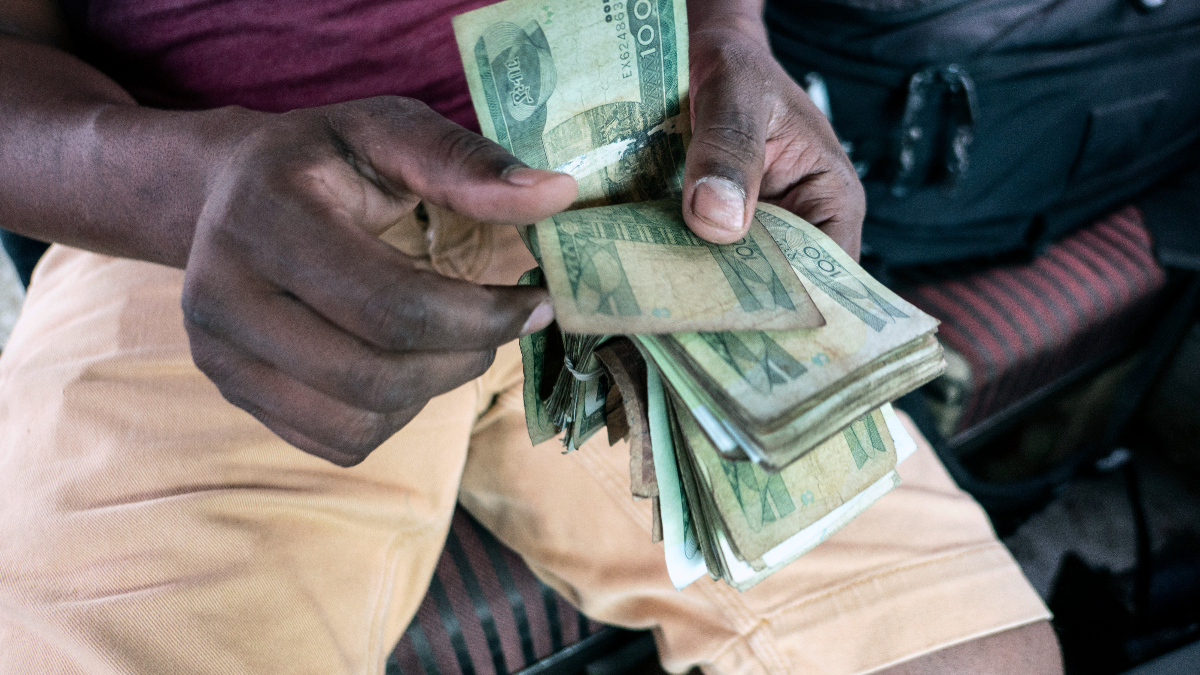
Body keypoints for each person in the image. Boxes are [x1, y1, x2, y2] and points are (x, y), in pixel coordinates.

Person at [0, 0, 1060, 672]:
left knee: (973, 655)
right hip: (210, 217)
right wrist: (192, 183)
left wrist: (727, 36)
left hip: (636, 176)